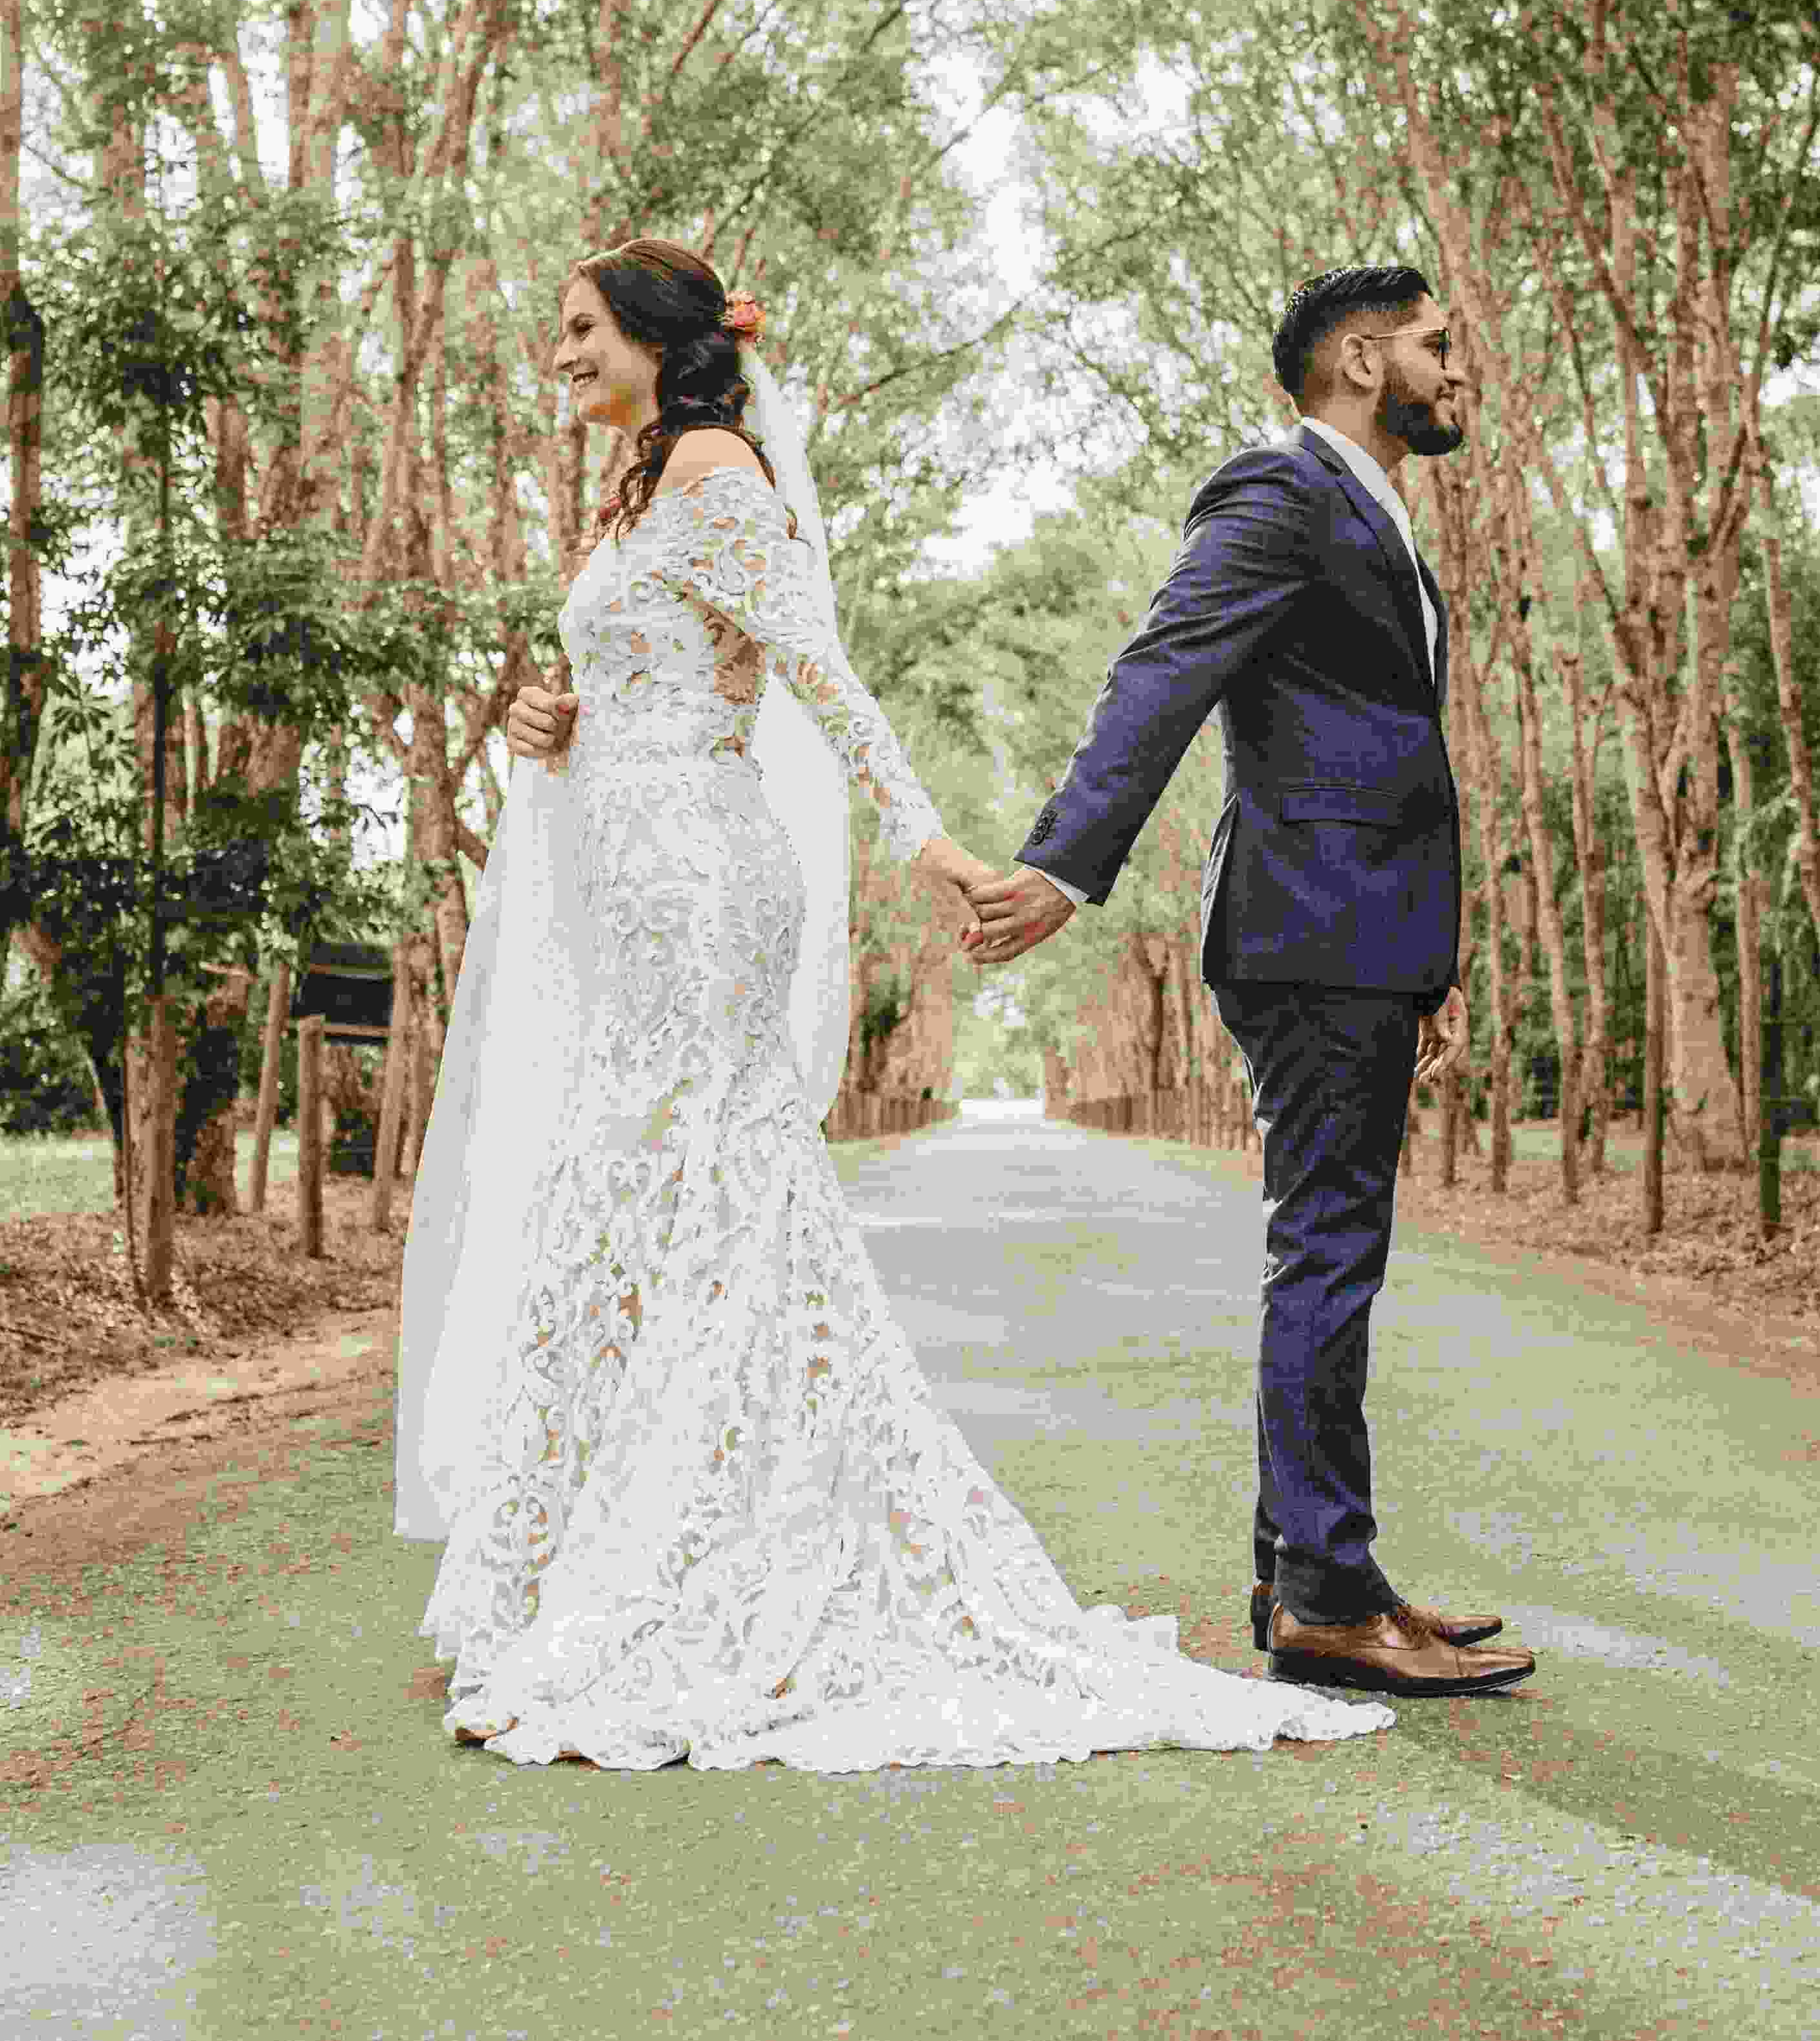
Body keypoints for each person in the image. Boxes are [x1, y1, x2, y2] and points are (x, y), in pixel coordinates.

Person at [390, 237, 1396, 1771]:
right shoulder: (646, 483)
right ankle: (593, 1554)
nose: (559, 354)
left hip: (703, 886)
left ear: (660, 340)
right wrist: (555, 716)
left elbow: (816, 671)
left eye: (581, 330)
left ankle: (698, 1561)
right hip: (635, 861)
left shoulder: (717, 468)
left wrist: (923, 839)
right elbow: (669, 672)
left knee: (688, 1183)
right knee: (635, 1192)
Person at [966, 264, 1539, 1702]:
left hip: (1360, 929)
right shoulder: (1278, 491)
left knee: (1333, 1245)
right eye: (1433, 343)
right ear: (1359, 357)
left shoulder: (1369, 504)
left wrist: (1434, 961)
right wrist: (1064, 864)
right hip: (1310, 924)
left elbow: (1380, 752)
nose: (1455, 366)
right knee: (1328, 1249)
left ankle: (1320, 1569)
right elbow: (1161, 671)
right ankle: (1325, 1595)